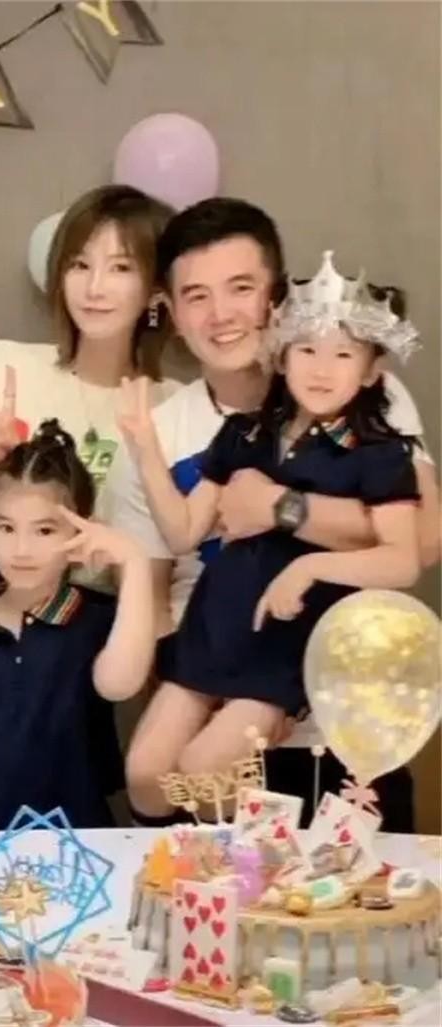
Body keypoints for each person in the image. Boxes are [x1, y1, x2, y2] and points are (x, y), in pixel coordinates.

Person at [107, 199, 439, 830]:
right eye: (197, 295)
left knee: (341, 889)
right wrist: (198, 700)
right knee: (160, 785)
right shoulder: (194, 431)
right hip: (211, 674)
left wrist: (281, 509)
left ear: (277, 298)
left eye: (241, 287)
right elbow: (152, 596)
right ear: (171, 311)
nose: (221, 314)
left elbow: (420, 544)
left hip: (342, 723)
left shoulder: (366, 396)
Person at [0, 184, 179, 763]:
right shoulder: (6, 365)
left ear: (154, 289)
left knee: (65, 799)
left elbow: (164, 567)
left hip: (88, 635)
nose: (94, 287)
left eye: (120, 267)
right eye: (79, 264)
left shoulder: (174, 406)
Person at [0, 420, 154, 833]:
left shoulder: (96, 621)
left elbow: (120, 684)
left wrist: (135, 562)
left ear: (83, 529)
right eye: (5, 527)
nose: (21, 549)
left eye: (44, 530)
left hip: (81, 849)